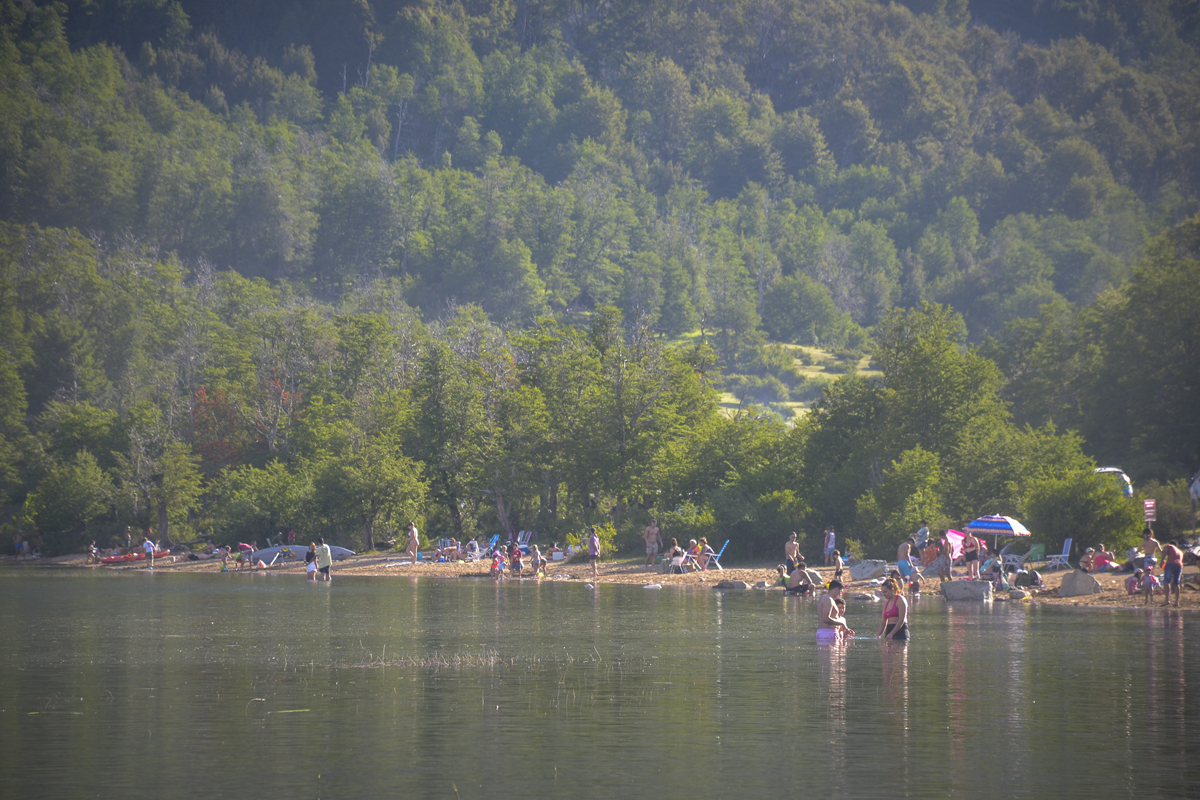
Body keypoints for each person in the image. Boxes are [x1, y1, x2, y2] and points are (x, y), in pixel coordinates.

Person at [1161, 540, 1183, 607]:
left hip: (1170, 564)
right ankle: (1176, 602)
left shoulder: (1169, 546)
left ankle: (1167, 600)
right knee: (1176, 583)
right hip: (1179, 566)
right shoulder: (1180, 551)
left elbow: (1164, 551)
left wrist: (1162, 561)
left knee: (1166, 581)